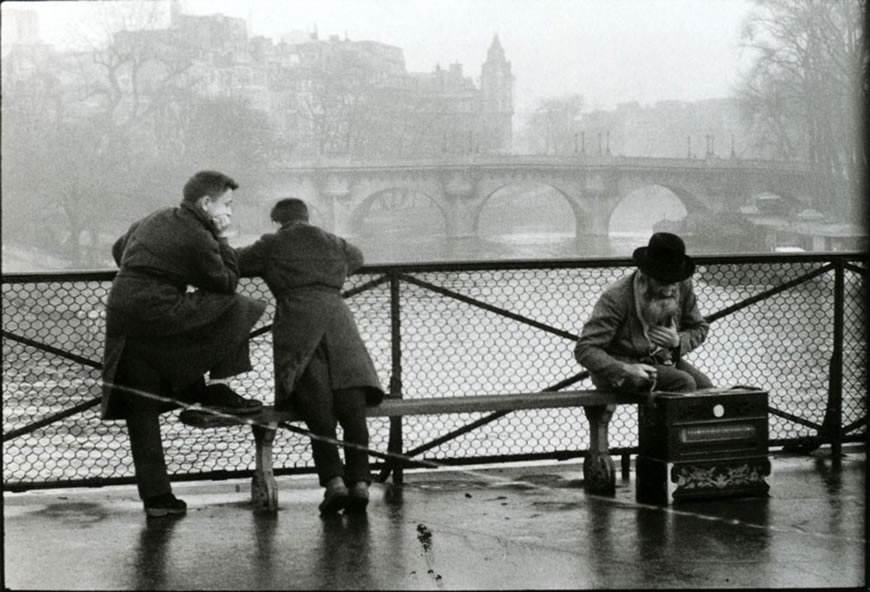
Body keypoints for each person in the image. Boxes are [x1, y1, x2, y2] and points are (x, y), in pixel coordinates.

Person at [102, 170, 267, 518]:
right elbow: (225, 281)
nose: (230, 212)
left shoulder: (155, 217)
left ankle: (158, 499)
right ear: (206, 203)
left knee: (141, 408)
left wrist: (157, 268)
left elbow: (119, 249)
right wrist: (222, 238)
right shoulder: (199, 233)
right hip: (159, 312)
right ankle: (217, 386)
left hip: (124, 310)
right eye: (227, 205)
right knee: (240, 305)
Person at [237, 198, 385, 515]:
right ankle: (360, 483)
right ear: (306, 217)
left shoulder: (272, 244)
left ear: (278, 220)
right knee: (352, 407)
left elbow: (236, 263)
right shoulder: (332, 241)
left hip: (299, 322)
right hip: (338, 319)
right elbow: (357, 257)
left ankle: (334, 484)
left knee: (318, 409)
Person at [574, 232, 713, 394]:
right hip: (619, 368)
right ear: (646, 275)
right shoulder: (616, 297)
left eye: (673, 282)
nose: (669, 290)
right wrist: (625, 369)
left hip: (662, 360)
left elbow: (700, 328)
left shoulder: (683, 285)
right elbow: (585, 349)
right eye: (662, 282)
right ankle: (656, 419)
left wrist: (678, 342)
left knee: (706, 388)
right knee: (683, 382)